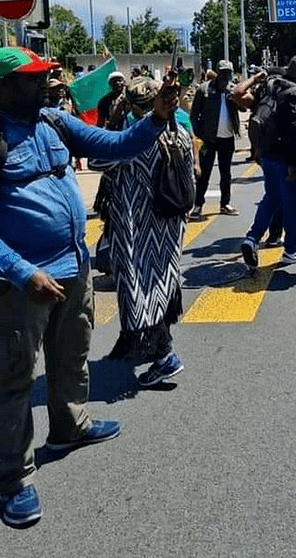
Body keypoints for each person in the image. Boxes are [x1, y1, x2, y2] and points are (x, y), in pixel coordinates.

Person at [0, 46, 178, 529]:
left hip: (73, 266)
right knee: (14, 378)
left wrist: (157, 119)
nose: (44, 85)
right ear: (3, 86)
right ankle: (13, 477)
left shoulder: (53, 122)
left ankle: (70, 426)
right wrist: (21, 272)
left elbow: (112, 146)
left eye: (44, 77)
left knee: (72, 354)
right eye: (31, 79)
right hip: (21, 283)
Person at [93, 78, 192, 385]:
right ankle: (151, 345)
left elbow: (97, 159)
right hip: (170, 222)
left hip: (138, 226)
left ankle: (164, 355)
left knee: (141, 287)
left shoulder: (132, 139)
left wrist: (114, 119)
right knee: (163, 282)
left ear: (133, 107)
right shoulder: (181, 133)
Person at [236, 58, 296, 270]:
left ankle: (252, 238)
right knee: (294, 205)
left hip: (266, 155)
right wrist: (294, 163)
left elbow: (241, 98)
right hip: (287, 158)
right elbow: (295, 129)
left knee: (271, 199)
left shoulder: (269, 86)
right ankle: (292, 249)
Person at [190, 59, 242, 218]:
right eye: (223, 72)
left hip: (227, 138)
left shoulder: (232, 90)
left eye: (229, 73)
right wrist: (196, 138)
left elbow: (243, 107)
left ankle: (225, 203)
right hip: (207, 139)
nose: (226, 76)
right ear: (218, 73)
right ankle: (198, 205)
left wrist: (236, 97)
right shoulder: (204, 90)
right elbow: (194, 115)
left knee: (226, 173)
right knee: (204, 173)